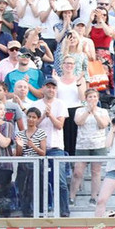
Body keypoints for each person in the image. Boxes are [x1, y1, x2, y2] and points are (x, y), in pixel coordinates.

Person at [30, 78, 70, 217]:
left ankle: (63, 211)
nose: (51, 90)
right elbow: (32, 126)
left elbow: (59, 125)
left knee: (60, 181)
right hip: (38, 148)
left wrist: (50, 115)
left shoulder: (60, 104)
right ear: (43, 88)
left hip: (56, 147)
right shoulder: (35, 104)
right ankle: (40, 211)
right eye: (48, 87)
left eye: (53, 87)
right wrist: (42, 117)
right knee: (39, 181)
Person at [70, 89, 109, 206]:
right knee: (77, 172)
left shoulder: (103, 111)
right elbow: (78, 122)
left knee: (96, 172)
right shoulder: (79, 110)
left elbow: (103, 125)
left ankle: (93, 197)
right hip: (82, 145)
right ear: (86, 99)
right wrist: (88, 111)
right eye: (90, 97)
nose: (92, 99)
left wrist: (95, 112)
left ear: (98, 99)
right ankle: (72, 197)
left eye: (94, 97)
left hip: (98, 144)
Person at [14, 107, 47, 217]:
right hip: (24, 164)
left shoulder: (41, 133)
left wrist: (33, 146)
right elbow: (19, 155)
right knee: (24, 189)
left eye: (34, 117)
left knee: (39, 189)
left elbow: (43, 153)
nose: (31, 119)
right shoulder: (20, 134)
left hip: (37, 164)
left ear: (37, 119)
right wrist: (19, 146)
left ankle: (40, 213)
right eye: (29, 117)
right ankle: (26, 212)